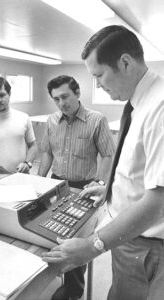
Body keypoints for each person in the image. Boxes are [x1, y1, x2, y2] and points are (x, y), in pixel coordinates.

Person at [42, 25, 164, 300]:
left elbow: (159, 201)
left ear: (124, 62)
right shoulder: (140, 104)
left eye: (98, 75)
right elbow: (137, 166)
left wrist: (93, 245)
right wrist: (109, 187)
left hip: (146, 244)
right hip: (128, 237)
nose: (97, 85)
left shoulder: (160, 107)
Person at [38, 75, 115, 300]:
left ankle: (74, 290)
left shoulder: (97, 120)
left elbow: (108, 154)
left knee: (78, 241)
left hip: (84, 187)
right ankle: (53, 276)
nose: (62, 103)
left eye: (65, 96)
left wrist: (99, 183)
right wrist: (39, 179)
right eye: (56, 99)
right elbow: (47, 152)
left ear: (78, 93)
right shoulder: (51, 121)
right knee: (49, 232)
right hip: (55, 184)